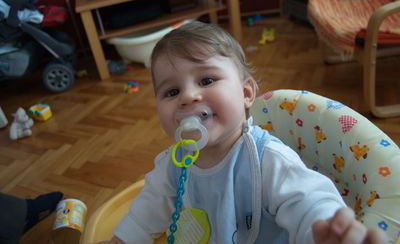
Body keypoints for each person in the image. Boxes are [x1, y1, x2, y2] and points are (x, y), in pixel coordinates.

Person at [106, 21, 388, 244]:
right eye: (171, 91)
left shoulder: (268, 160)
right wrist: (124, 238)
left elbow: (308, 201)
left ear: (246, 93)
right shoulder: (173, 162)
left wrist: (324, 231)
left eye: (206, 80)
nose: (188, 96)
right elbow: (150, 205)